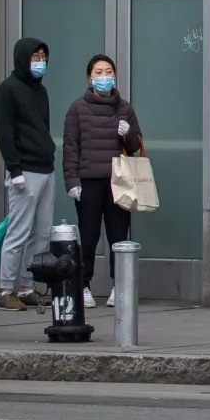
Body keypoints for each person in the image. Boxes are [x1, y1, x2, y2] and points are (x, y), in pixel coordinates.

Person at [62, 54, 142, 309]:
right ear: (89, 77)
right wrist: (72, 181)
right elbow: (70, 148)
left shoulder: (125, 108)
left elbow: (135, 145)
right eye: (98, 73)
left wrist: (128, 133)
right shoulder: (77, 109)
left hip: (119, 182)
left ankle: (119, 286)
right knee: (88, 236)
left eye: (108, 72)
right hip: (89, 182)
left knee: (119, 236)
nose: (104, 77)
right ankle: (83, 285)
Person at [0, 37, 54, 311]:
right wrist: (13, 168)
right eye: (35, 56)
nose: (40, 62)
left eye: (43, 56)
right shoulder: (8, 89)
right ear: (23, 58)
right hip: (24, 171)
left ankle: (28, 285)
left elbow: (42, 127)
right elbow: (5, 132)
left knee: (41, 233)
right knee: (18, 231)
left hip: (45, 168)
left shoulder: (40, 91)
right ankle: (6, 289)